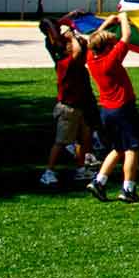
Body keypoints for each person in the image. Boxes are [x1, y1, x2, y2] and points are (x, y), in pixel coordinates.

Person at [85, 11, 139, 202]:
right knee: (132, 148)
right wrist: (124, 17)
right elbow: (126, 36)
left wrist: (108, 22)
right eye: (111, 43)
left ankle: (99, 181)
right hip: (123, 108)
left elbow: (91, 39)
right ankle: (128, 189)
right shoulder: (111, 60)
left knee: (118, 147)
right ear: (106, 47)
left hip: (107, 111)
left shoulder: (91, 58)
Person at [39, 24, 93, 186]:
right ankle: (48, 171)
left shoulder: (76, 62)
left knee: (84, 138)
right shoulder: (65, 64)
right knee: (61, 141)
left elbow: (86, 45)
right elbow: (77, 50)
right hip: (68, 108)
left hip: (79, 107)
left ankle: (81, 169)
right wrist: (71, 36)